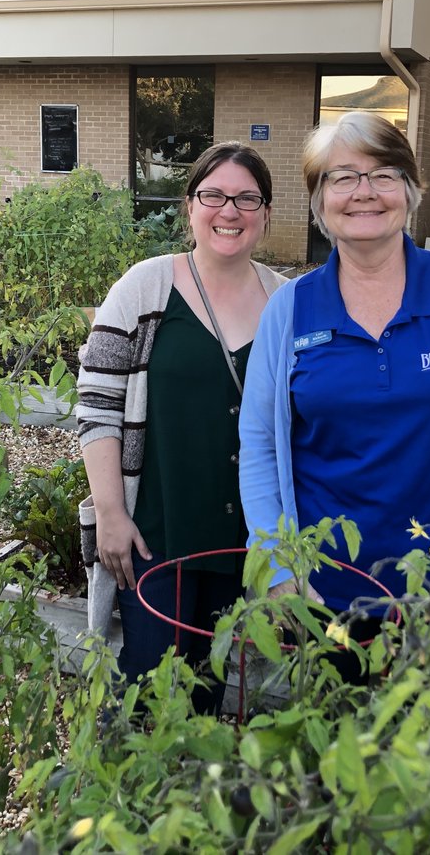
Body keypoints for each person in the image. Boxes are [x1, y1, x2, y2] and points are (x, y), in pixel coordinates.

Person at [238, 112, 430, 663]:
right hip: (323, 594)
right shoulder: (290, 310)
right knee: (335, 743)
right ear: (320, 199)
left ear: (411, 191)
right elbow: (258, 447)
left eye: (384, 174)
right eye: (343, 177)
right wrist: (278, 569)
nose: (364, 193)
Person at [77, 142, 287, 714]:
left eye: (248, 198)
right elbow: (96, 404)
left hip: (241, 536)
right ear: (188, 205)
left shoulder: (284, 302)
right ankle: (135, 802)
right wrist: (112, 515)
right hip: (155, 530)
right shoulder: (145, 289)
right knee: (149, 683)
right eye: (214, 195)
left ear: (266, 213)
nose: (230, 211)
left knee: (210, 684)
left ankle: (192, 797)